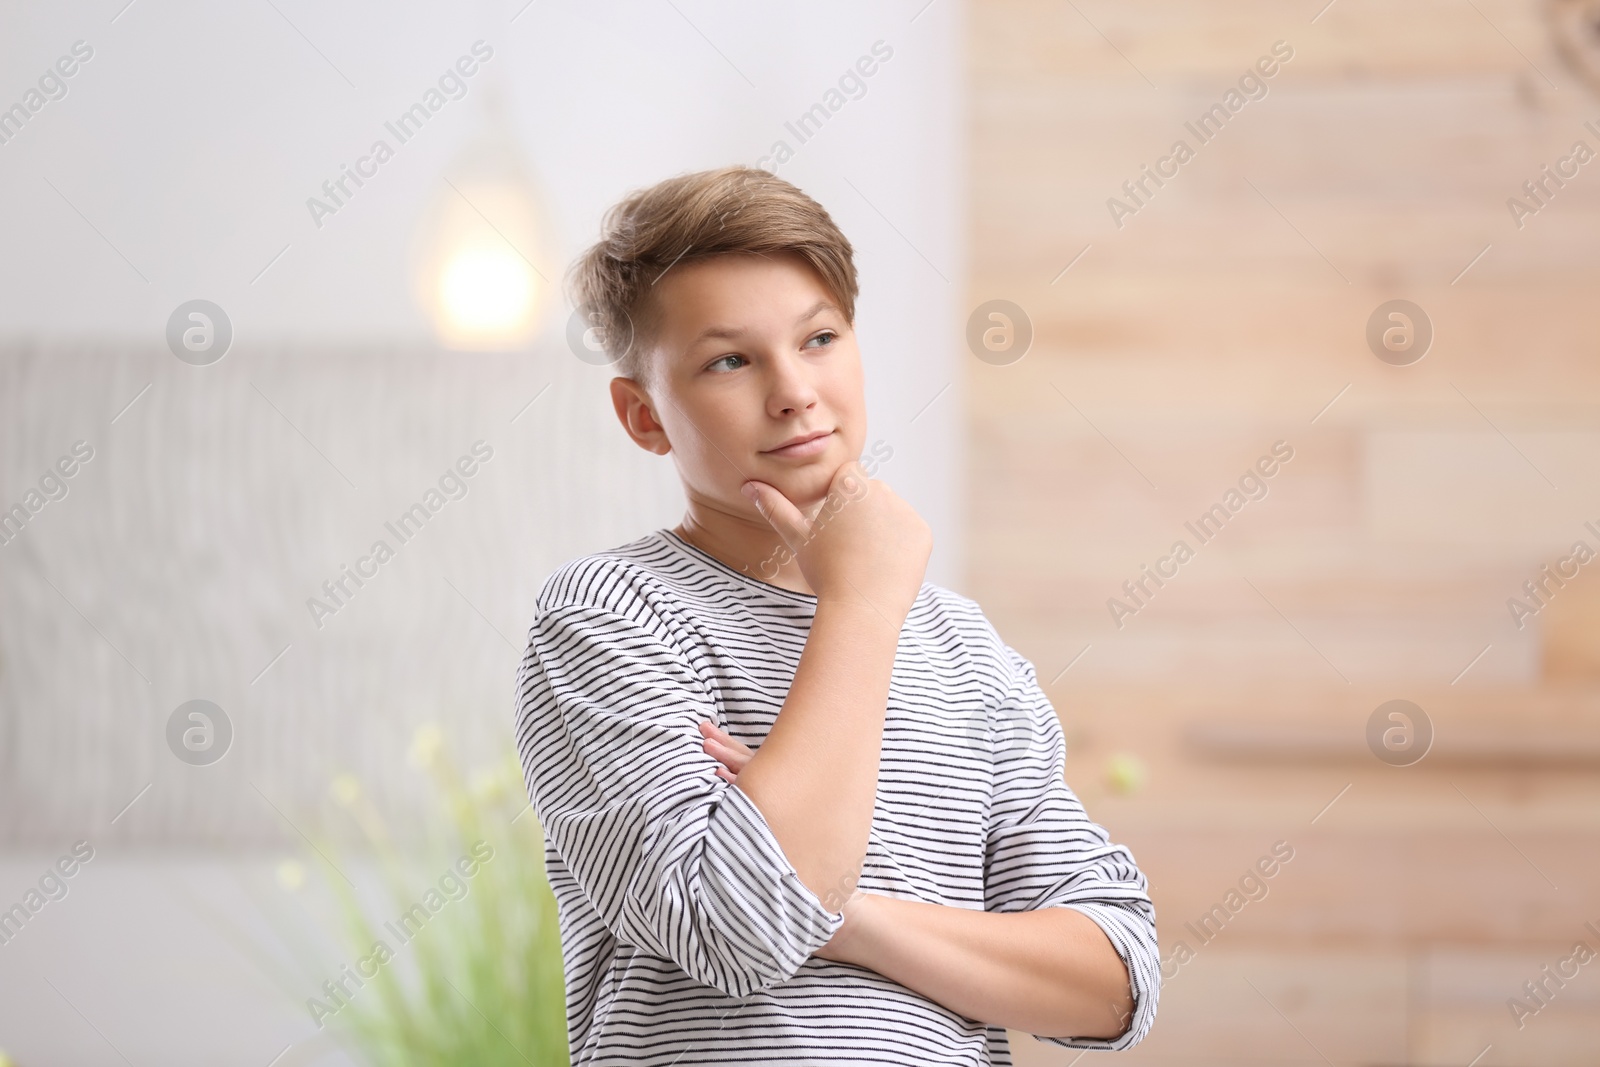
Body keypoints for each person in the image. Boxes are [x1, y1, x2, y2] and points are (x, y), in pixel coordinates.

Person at [514, 164, 1158, 1065]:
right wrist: (859, 602)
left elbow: (1112, 981)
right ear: (643, 415)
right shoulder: (608, 617)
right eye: (729, 360)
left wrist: (849, 916)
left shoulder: (961, 647)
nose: (793, 391)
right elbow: (735, 926)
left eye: (819, 338)